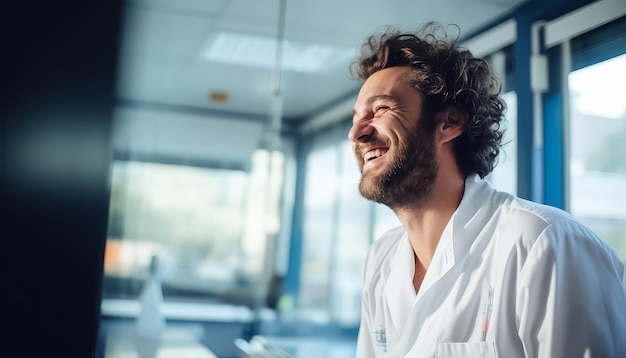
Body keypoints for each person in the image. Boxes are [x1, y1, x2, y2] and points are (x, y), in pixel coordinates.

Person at [348, 23, 626, 357]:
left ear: (449, 122)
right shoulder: (380, 258)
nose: (356, 133)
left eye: (380, 109)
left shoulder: (542, 243)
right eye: (356, 117)